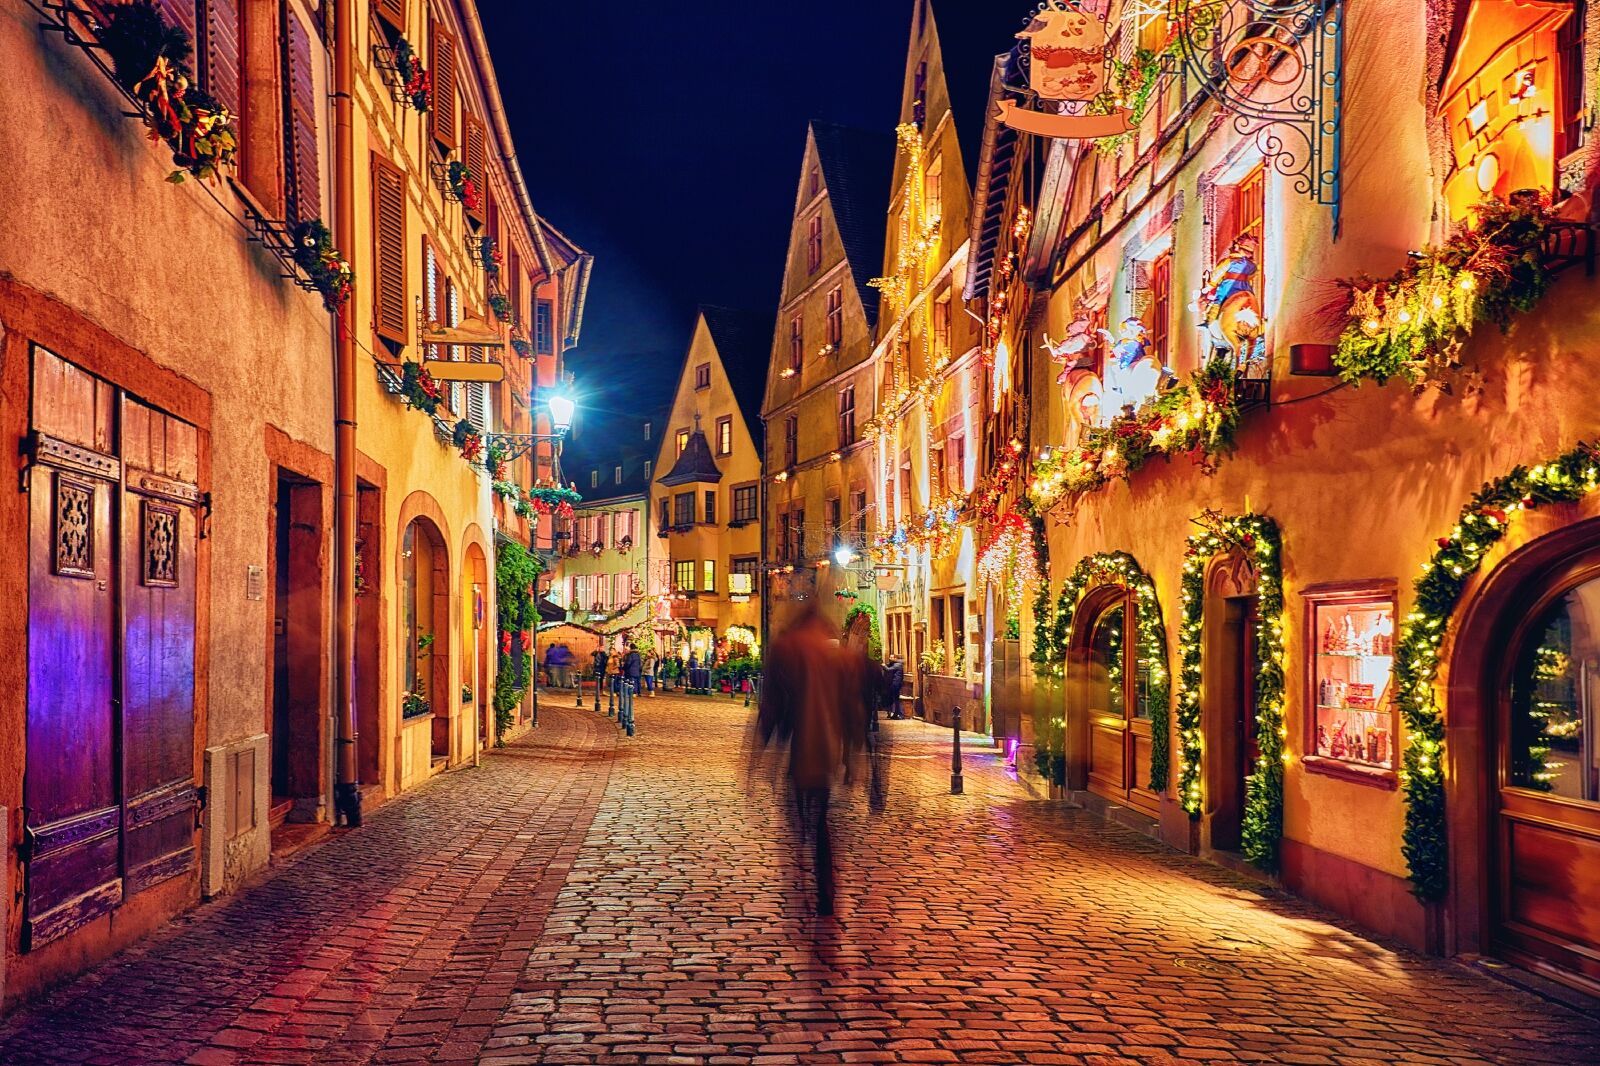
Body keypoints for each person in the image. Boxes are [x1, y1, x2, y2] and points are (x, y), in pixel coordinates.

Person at [756, 602, 869, 917]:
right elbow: (852, 708)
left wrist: (759, 754)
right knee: (819, 817)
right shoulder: (836, 656)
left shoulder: (787, 648)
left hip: (801, 746)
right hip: (827, 746)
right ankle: (824, 883)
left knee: (804, 815)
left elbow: (772, 706)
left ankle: (810, 871)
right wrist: (853, 755)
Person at [883, 655, 906, 719]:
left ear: (896, 658)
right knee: (895, 699)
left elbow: (888, 670)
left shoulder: (897, 665)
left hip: (896, 683)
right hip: (895, 683)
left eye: (892, 657)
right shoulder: (896, 664)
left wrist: (883, 665)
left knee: (896, 699)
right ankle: (896, 714)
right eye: (890, 657)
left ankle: (900, 714)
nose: (890, 658)